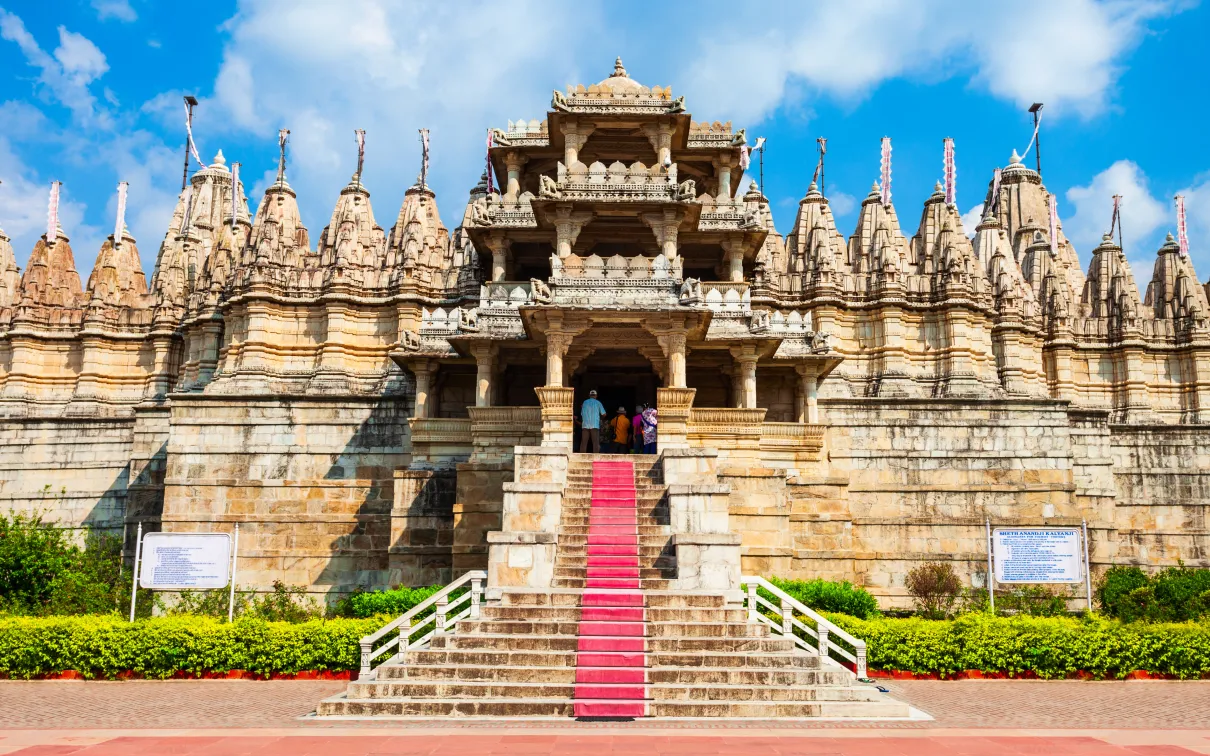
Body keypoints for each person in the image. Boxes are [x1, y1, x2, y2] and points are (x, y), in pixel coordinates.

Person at [579, 389, 607, 454]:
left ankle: (582, 456)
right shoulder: (598, 403)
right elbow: (604, 414)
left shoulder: (585, 402)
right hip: (595, 425)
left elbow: (581, 414)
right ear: (596, 396)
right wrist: (600, 418)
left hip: (585, 425)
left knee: (584, 442)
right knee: (595, 443)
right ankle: (595, 456)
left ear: (589, 395)